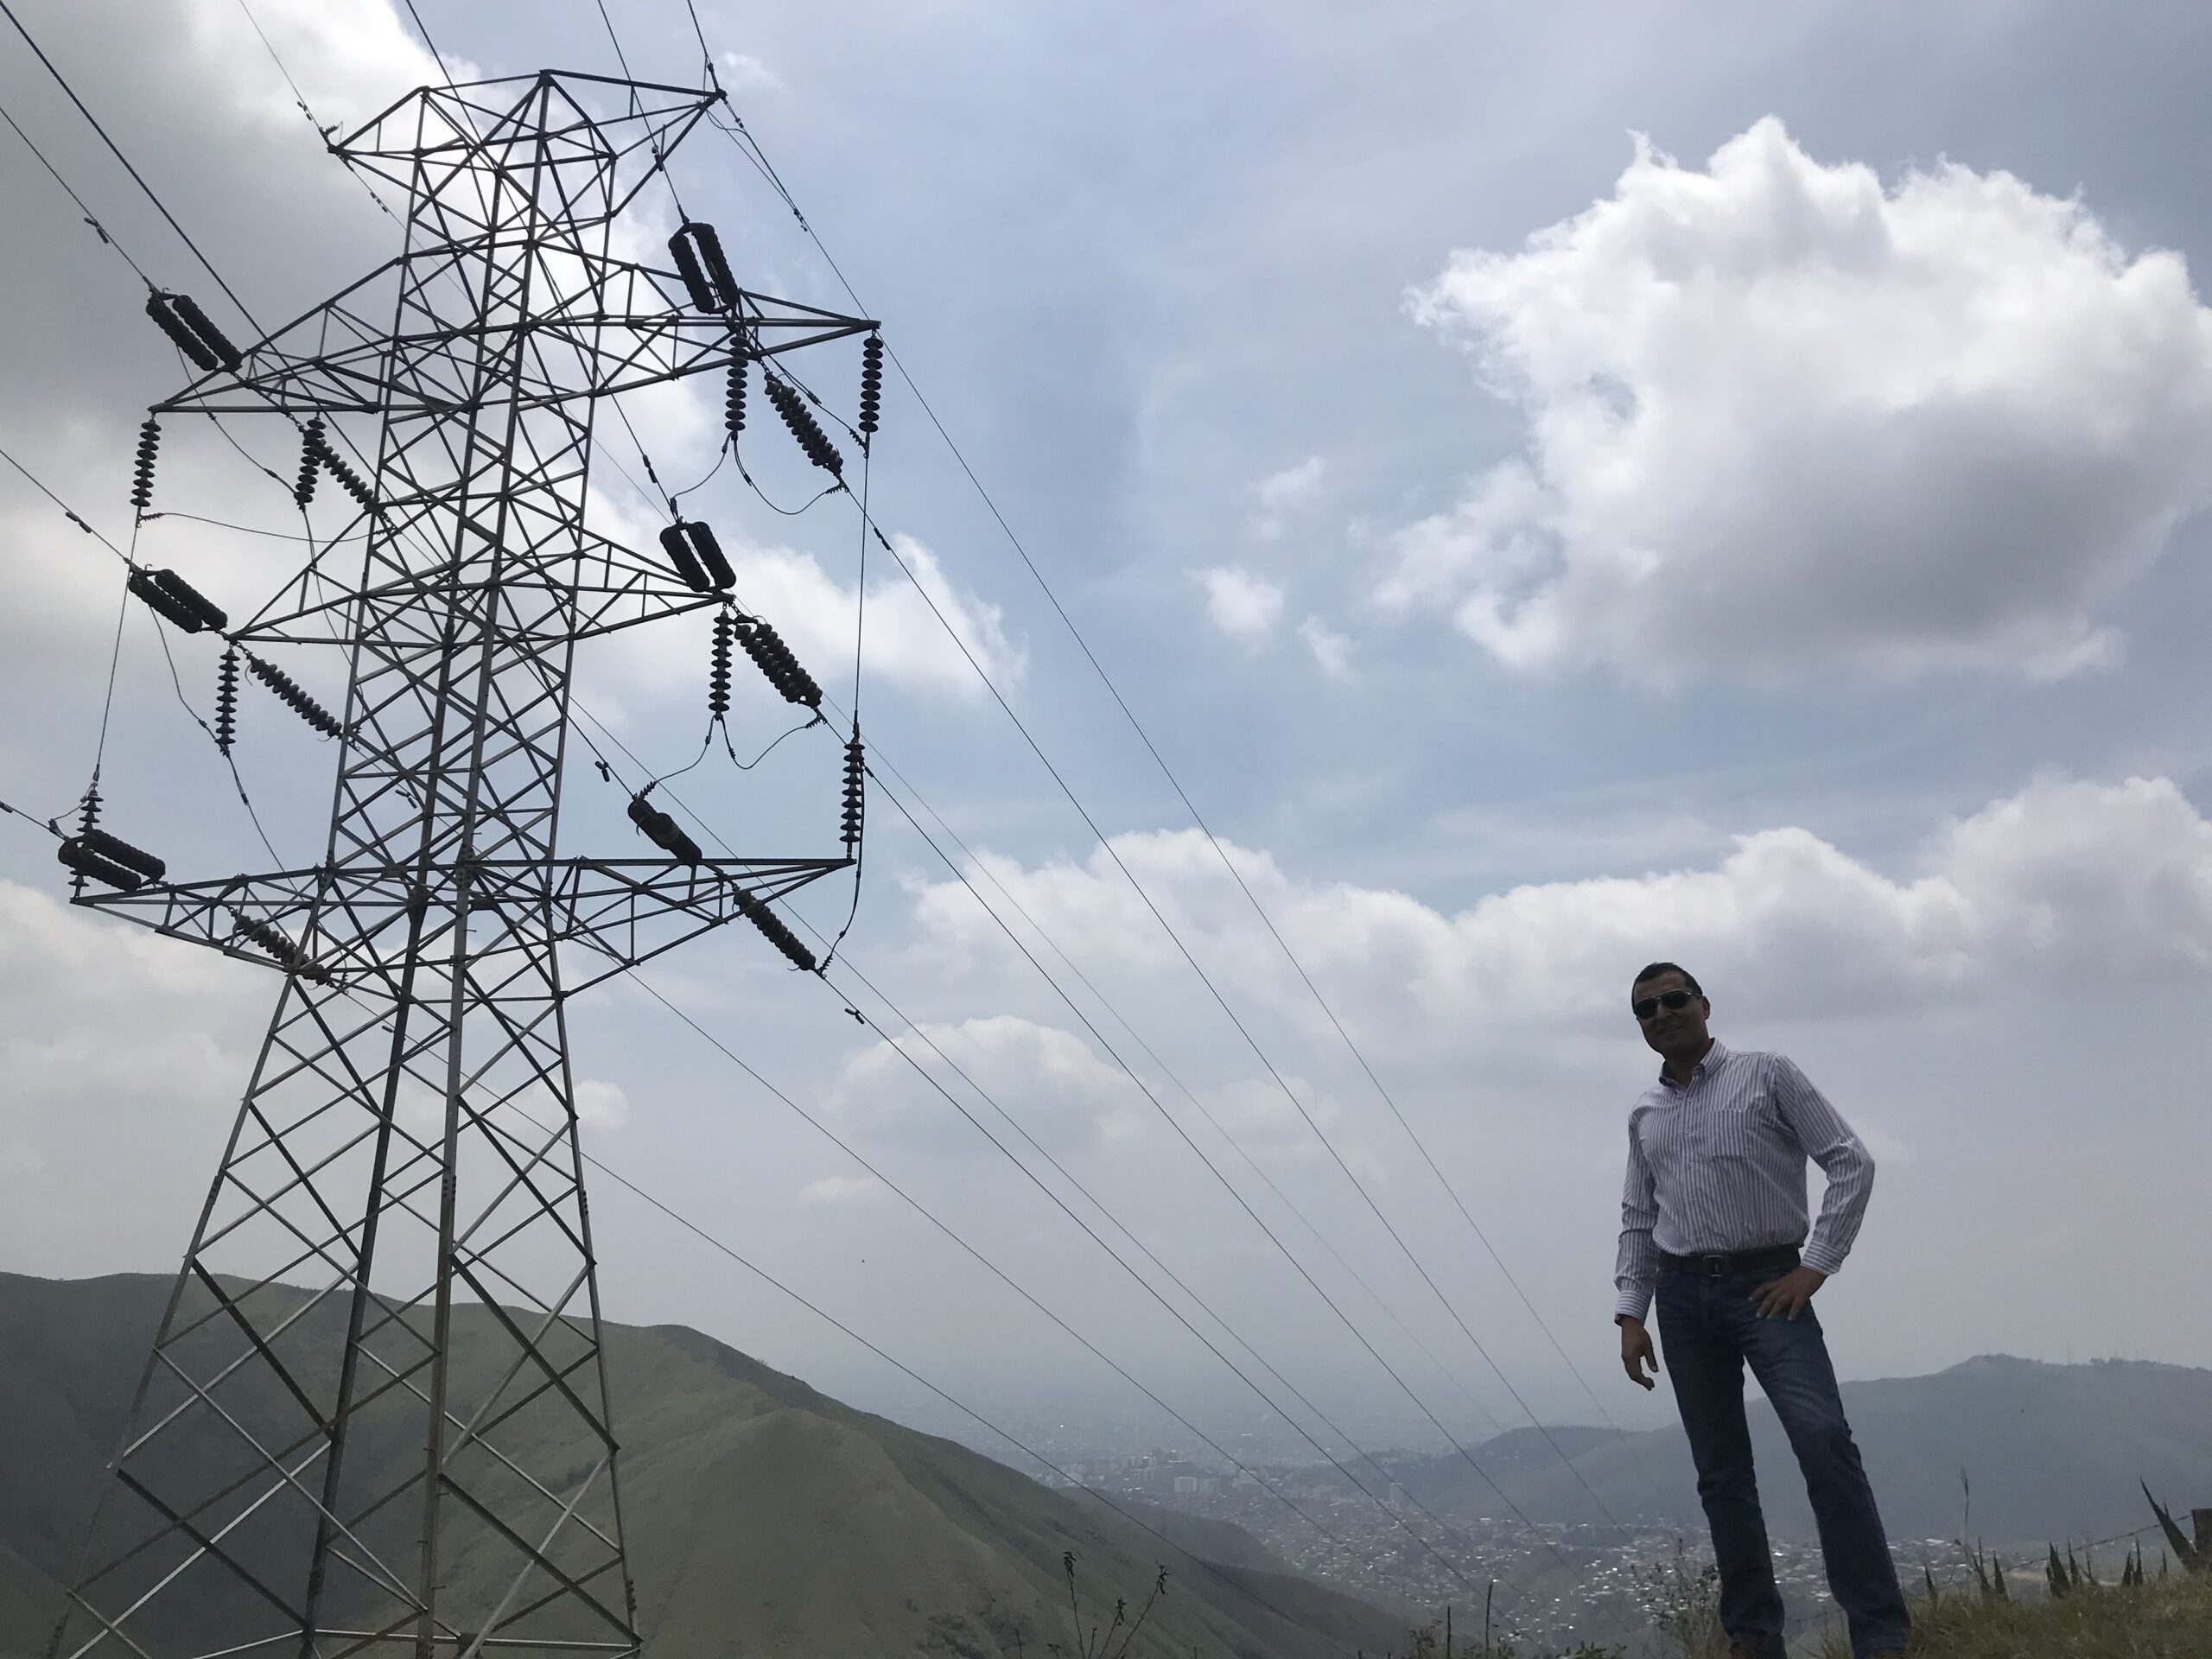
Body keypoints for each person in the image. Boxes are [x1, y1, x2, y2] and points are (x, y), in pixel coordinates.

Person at [1613, 963, 1910, 1659]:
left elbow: (1851, 1161)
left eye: (1674, 999)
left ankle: (1880, 1635)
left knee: (1824, 1442)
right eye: (1646, 1009)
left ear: (1704, 1004)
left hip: (1769, 1283)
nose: (1662, 1014)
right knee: (1721, 1474)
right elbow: (1638, 1215)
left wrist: (1815, 1265)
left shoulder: (1767, 1074)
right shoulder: (1645, 1113)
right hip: (1682, 1297)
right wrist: (1631, 1313)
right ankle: (1752, 1637)